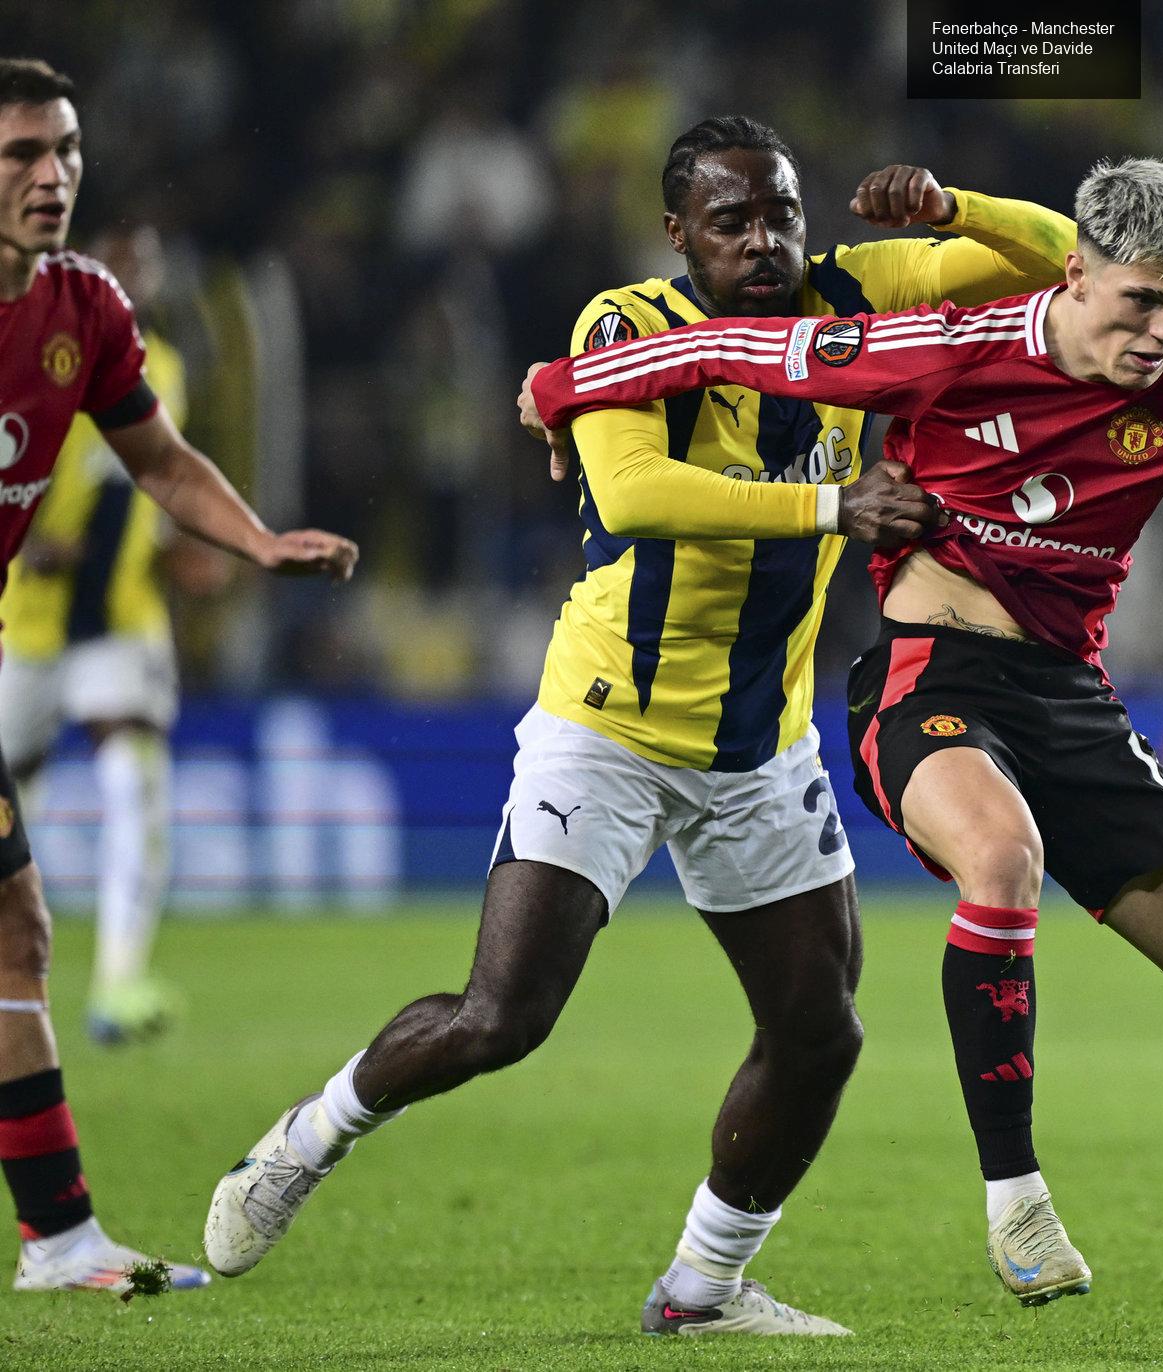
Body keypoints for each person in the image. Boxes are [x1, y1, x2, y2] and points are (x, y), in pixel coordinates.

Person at [521, 157, 1163, 1345]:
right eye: (1139, 303)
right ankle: (1014, 1197)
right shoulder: (948, 346)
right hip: (928, 678)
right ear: (1077, 271)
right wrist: (559, 384)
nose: (1161, 332)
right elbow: (735, 354)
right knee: (1000, 859)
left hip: (1070, 701)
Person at [209, 117, 1074, 1338]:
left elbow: (1063, 266)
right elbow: (634, 492)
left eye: (779, 211)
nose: (764, 241)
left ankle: (701, 1288)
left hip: (760, 745)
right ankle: (312, 1133)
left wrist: (951, 210)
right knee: (499, 1018)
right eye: (731, 222)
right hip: (608, 720)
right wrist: (834, 501)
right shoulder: (626, 329)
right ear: (677, 235)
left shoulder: (852, 292)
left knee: (818, 1032)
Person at [0, 57, 357, 1296]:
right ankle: (58, 1241)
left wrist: (256, 540)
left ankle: (58, 1240)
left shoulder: (87, 311)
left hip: (60, 637)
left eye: (66, 153)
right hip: (22, 639)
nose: (51, 178)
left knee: (15, 932)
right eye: (20, 158)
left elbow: (158, 459)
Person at [0, 224, 224, 1045]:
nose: (137, 278)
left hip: (123, 622)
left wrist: (180, 552)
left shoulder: (162, 368)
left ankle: (120, 984)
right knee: (17, 797)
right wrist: (28, 544)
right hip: (24, 622)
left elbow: (152, 481)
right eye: (120, 264)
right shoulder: (28, 352)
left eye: (148, 265)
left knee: (136, 782)